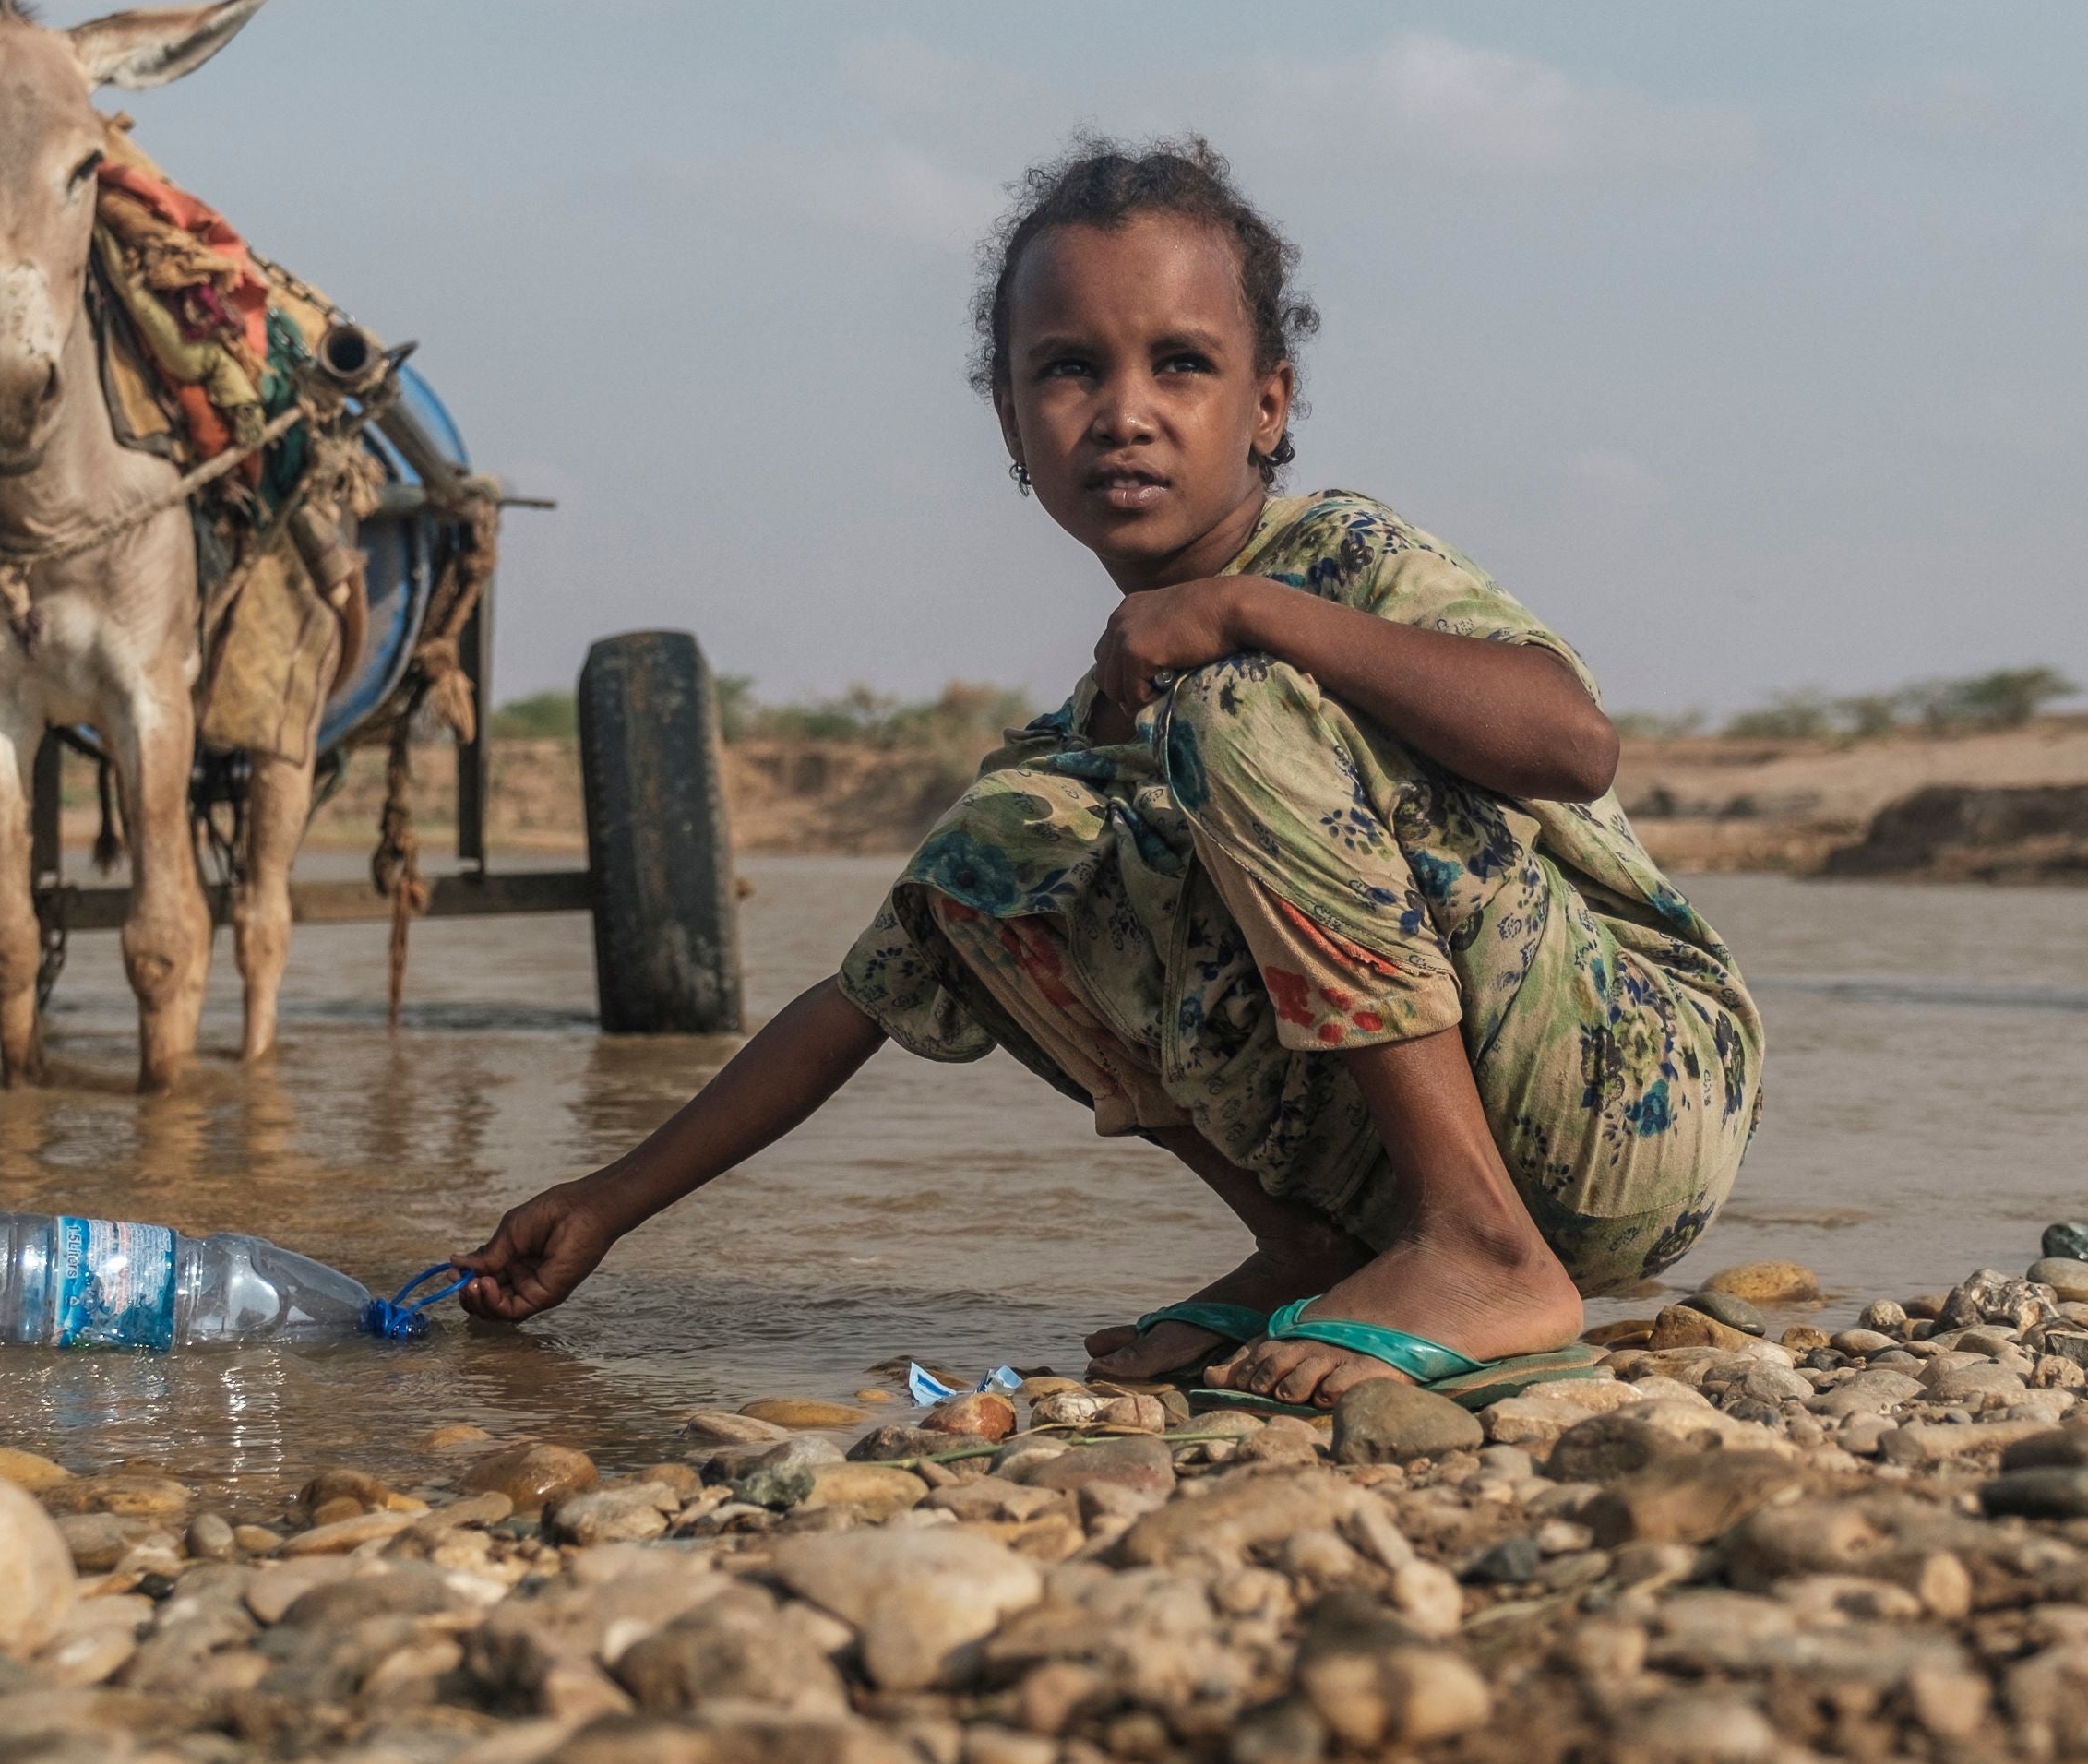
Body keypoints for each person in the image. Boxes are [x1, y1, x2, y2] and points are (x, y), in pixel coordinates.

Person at [462, 137, 1761, 1411]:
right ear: (1012, 424)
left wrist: (1249, 615)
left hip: (1634, 1086)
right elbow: (860, 998)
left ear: (1268, 407)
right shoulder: (1102, 713)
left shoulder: (1340, 562)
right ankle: (1317, 1256)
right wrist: (605, 1204)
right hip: (1451, 1142)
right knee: (999, 845)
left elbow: (1571, 740)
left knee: (1237, 711)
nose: (1125, 413)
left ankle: (1478, 1250)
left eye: (1183, 365)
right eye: (1070, 371)